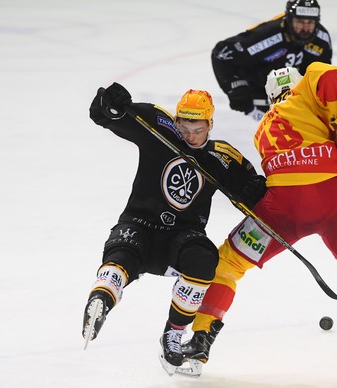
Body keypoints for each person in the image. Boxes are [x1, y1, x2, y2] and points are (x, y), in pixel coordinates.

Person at [181, 63, 337, 377]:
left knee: (228, 264)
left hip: (284, 209)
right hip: (336, 204)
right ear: (298, 88)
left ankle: (200, 341)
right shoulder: (311, 101)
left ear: (270, 98)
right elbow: (327, 75)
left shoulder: (261, 129)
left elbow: (299, 174)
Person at [81, 83, 267, 376]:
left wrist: (253, 192)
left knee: (205, 259)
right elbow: (104, 115)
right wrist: (108, 102)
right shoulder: (158, 127)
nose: (190, 136)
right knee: (123, 256)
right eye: (184, 128)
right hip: (139, 224)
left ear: (210, 124)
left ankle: (173, 333)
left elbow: (252, 191)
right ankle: (100, 300)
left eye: (198, 129)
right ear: (176, 120)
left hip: (182, 236)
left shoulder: (223, 157)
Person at [211, 0, 337, 180]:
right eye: (300, 22)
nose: (305, 28)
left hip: (297, 88)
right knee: (287, 132)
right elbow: (222, 53)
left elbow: (321, 75)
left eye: (310, 22)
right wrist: (236, 88)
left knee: (327, 116)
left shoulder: (321, 39)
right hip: (265, 91)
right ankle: (295, 171)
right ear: (288, 19)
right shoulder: (268, 36)